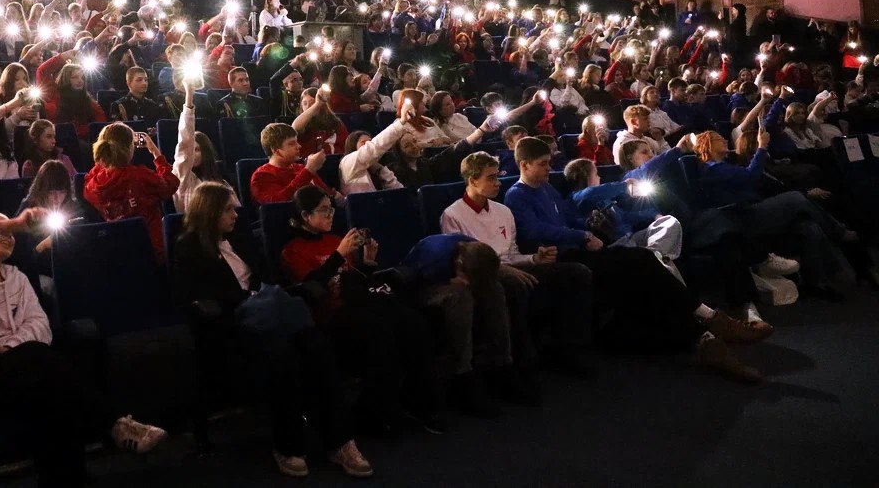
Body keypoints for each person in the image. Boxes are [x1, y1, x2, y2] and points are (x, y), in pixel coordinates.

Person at [0, 210, 166, 487]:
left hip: (26, 369)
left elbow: (40, 326)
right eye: (0, 229)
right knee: (43, 362)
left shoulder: (17, 279)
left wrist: (8, 346)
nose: (9, 236)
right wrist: (15, 223)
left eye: (11, 233)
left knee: (55, 386)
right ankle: (113, 424)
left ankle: (67, 478)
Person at [504, 137, 764, 383]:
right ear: (524, 165)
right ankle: (710, 324)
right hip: (560, 258)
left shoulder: (547, 189)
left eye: (548, 163)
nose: (549, 169)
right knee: (645, 263)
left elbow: (568, 218)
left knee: (646, 264)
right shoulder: (516, 195)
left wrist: (588, 224)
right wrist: (582, 234)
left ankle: (707, 338)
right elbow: (534, 230)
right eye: (543, 164)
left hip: (581, 251)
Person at [172, 182, 372, 478]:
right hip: (232, 322)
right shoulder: (189, 248)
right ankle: (289, 445)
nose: (235, 215)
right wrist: (248, 298)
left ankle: (340, 441)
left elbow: (267, 278)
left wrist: (262, 296)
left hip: (267, 311)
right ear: (210, 212)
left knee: (317, 346)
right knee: (282, 355)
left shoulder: (239, 239)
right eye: (227, 210)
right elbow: (197, 297)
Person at [281, 186, 445, 436]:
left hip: (358, 303)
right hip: (331, 314)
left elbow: (357, 283)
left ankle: (419, 402)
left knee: (412, 321)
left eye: (331, 209)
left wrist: (367, 263)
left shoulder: (335, 241)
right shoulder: (293, 250)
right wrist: (339, 255)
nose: (331, 215)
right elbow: (311, 288)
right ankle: (376, 411)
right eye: (323, 210)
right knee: (379, 332)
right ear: (305, 216)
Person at [441, 151, 594, 383]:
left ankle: (569, 348)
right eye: (491, 177)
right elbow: (464, 263)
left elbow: (511, 253)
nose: (498, 183)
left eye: (497, 176)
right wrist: (503, 269)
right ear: (472, 180)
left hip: (512, 267)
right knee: (514, 286)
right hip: (484, 275)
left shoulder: (503, 211)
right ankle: (521, 362)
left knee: (577, 273)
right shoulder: (453, 215)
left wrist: (534, 259)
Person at [692, 129, 857, 297]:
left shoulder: (726, 166)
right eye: (718, 138)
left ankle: (817, 283)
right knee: (796, 198)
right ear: (707, 145)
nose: (725, 140)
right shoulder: (712, 169)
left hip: (753, 210)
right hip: (743, 217)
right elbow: (750, 176)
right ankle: (838, 231)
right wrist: (762, 146)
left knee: (809, 227)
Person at [83, 122, 179, 260]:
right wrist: (155, 152)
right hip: (151, 253)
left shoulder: (94, 185)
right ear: (130, 148)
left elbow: (88, 179)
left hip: (119, 256)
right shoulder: (140, 176)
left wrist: (104, 160)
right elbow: (171, 184)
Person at [171, 84, 239, 214]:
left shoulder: (220, 181)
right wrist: (189, 97)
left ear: (205, 152)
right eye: (191, 150)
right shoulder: (182, 177)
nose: (192, 154)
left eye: (197, 150)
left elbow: (236, 210)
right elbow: (185, 143)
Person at [249, 122, 342, 206]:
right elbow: (277, 204)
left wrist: (337, 196)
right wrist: (309, 170)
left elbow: (327, 193)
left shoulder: (301, 167)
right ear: (275, 150)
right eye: (291, 144)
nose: (299, 146)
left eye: (296, 142)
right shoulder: (262, 175)